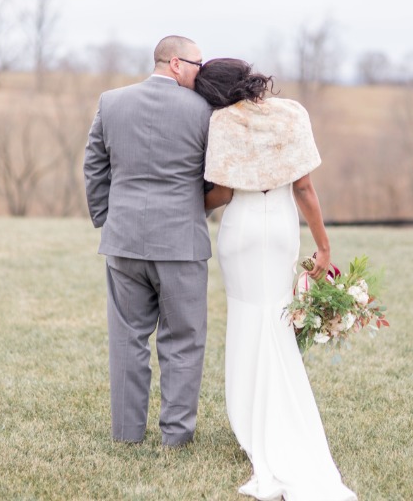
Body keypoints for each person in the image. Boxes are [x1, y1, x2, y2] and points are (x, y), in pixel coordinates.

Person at [195, 59, 357, 501]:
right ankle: (276, 414)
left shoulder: (222, 121)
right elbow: (304, 188)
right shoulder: (293, 113)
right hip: (282, 227)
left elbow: (223, 193)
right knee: (276, 318)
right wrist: (323, 246)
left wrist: (187, 198)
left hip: (242, 229)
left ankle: (250, 416)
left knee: (248, 317)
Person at [83, 35, 213, 447]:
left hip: (123, 242)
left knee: (127, 339)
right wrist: (195, 212)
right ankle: (175, 437)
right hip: (181, 244)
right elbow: (215, 175)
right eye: (197, 64)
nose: (201, 72)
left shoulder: (111, 102)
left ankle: (126, 434)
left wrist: (108, 219)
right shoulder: (205, 112)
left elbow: (93, 167)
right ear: (176, 63)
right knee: (184, 341)